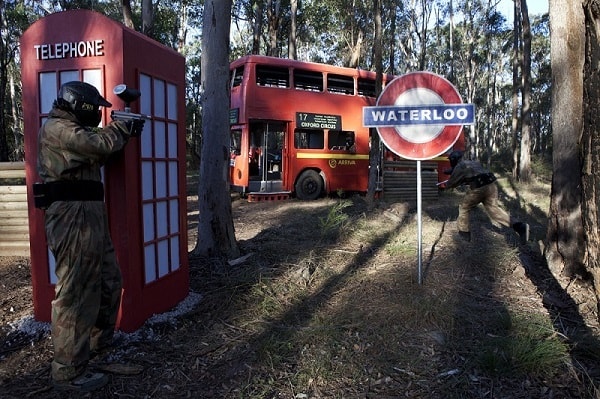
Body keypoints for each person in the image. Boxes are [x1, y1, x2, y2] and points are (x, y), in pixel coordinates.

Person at [35, 81, 144, 392]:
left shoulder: (72, 129)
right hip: (71, 218)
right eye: (94, 107)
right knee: (76, 292)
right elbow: (96, 146)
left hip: (90, 216)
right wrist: (122, 129)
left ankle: (93, 347)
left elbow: (97, 146)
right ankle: (68, 372)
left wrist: (120, 129)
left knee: (109, 282)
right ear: (79, 105)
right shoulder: (58, 128)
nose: (97, 113)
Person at [441, 150, 529, 244]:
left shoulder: (460, 166)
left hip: (479, 188)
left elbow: (452, 182)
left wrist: (444, 187)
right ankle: (519, 226)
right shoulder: (472, 162)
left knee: (464, 208)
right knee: (494, 210)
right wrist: (450, 172)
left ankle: (464, 234)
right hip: (491, 185)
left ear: (453, 160)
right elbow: (468, 172)